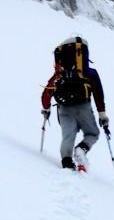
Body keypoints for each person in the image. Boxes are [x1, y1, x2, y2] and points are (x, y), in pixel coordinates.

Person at [41, 36, 109, 170]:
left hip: (64, 108)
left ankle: (67, 162)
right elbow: (98, 93)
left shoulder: (59, 76)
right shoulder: (89, 73)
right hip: (83, 106)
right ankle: (81, 149)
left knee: (68, 135)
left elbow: (46, 95)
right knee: (92, 133)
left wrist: (46, 109)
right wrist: (102, 115)